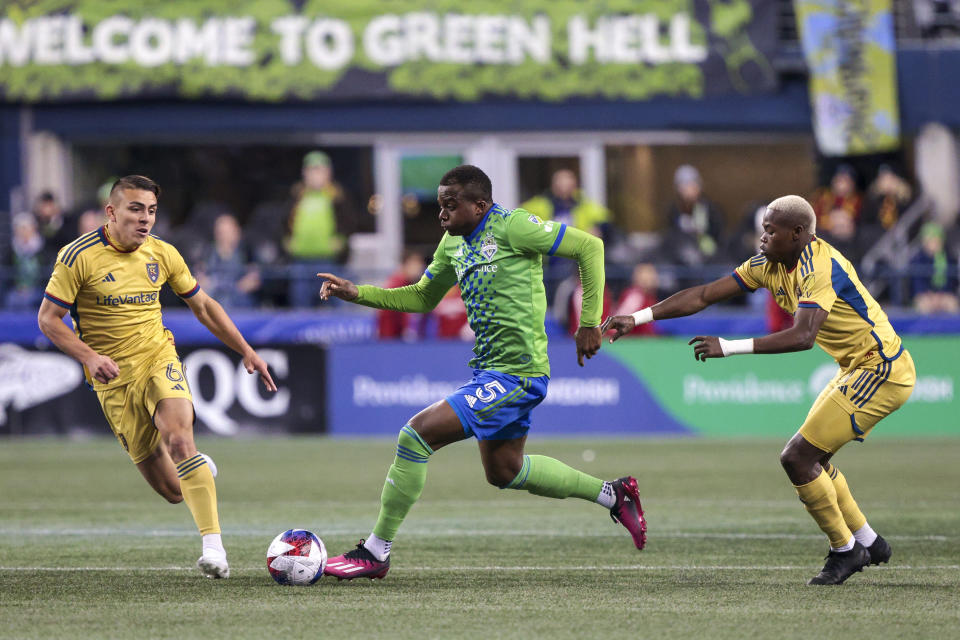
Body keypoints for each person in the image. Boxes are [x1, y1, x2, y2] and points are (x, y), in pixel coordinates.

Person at [317, 165, 646, 580]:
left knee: (415, 435)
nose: (442, 215)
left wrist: (588, 322)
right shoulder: (452, 244)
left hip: (518, 375)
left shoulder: (513, 227)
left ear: (480, 205)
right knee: (506, 471)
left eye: (450, 206)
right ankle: (613, 494)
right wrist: (356, 292)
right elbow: (422, 297)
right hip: (490, 374)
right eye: (440, 206)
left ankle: (375, 551)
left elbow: (590, 248)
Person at [603, 195, 915, 586]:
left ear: (798, 233)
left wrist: (729, 347)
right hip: (857, 366)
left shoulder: (820, 267)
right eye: (763, 228)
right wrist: (637, 316)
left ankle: (846, 550)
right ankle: (870, 542)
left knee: (798, 458)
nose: (762, 236)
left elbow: (803, 336)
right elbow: (702, 295)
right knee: (813, 456)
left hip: (881, 368)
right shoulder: (767, 265)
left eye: (771, 229)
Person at [37, 175, 277, 579]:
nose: (145, 218)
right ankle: (195, 469)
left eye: (150, 210)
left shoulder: (162, 254)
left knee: (181, 438)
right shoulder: (77, 256)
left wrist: (247, 350)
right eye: (135, 209)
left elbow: (203, 305)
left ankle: (214, 549)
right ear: (111, 212)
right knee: (172, 491)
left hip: (157, 357)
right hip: (112, 380)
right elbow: (48, 320)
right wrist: (90, 356)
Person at [286, 150, 356, 307]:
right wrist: (288, 243)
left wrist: (340, 243)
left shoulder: (337, 196)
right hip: (301, 262)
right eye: (312, 170)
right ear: (305, 173)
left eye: (320, 170)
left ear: (328, 173)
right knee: (300, 305)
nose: (315, 175)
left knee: (334, 305)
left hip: (330, 262)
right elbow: (284, 223)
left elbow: (349, 223)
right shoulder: (297, 196)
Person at [197, 213, 261, 310]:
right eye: (221, 232)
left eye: (228, 232)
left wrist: (239, 287)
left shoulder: (247, 252)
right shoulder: (207, 253)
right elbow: (199, 278)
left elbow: (254, 280)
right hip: (213, 300)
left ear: (237, 232)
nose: (224, 236)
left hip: (240, 302)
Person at [664, 164, 726, 265]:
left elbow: (718, 235)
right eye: (684, 186)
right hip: (681, 258)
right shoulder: (674, 210)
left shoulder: (710, 209)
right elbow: (671, 236)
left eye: (692, 185)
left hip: (709, 258)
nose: (689, 190)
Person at [377, 250, 428, 340]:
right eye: (415, 264)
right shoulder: (398, 284)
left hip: (395, 335)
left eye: (420, 264)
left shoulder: (407, 283)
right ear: (406, 264)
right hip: (390, 336)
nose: (420, 268)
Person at [910, 222, 959, 313]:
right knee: (923, 304)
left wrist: (941, 294)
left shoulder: (949, 257)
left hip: (944, 294)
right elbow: (917, 283)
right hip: (926, 295)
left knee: (953, 304)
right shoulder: (918, 259)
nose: (934, 243)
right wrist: (930, 295)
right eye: (931, 240)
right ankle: (924, 327)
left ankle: (949, 327)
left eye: (937, 240)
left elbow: (952, 282)